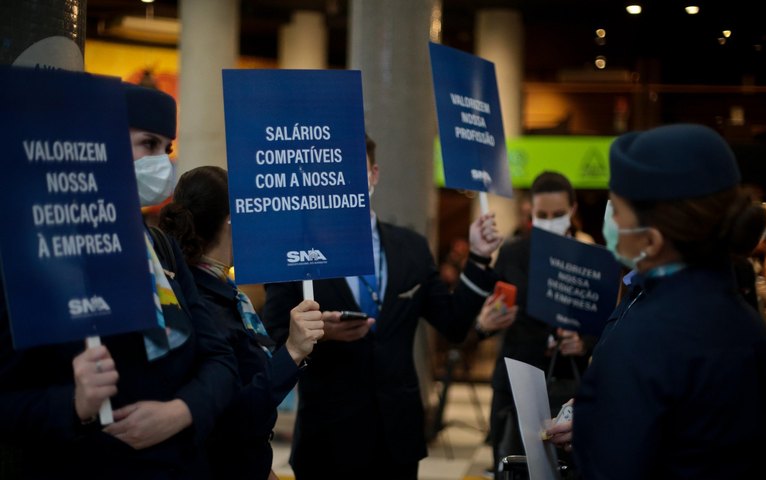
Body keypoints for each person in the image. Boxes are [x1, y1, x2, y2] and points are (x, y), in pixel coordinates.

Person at [0, 82, 239, 478]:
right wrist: (74, 404)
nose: (162, 162)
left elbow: (219, 358)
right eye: (148, 143)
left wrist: (182, 411)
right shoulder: (35, 253)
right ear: (98, 141)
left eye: (168, 148)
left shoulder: (160, 245)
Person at [261, 134, 508, 480]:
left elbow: (452, 322)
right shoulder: (297, 253)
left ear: (374, 174)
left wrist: (479, 258)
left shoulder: (411, 247)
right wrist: (319, 333)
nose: (346, 182)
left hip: (399, 438)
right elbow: (272, 337)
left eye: (356, 171)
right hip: (328, 438)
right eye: (337, 172)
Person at [544, 123, 766, 479]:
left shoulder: (644, 340)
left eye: (617, 211)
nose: (610, 223)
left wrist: (595, 425)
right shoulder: (747, 324)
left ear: (652, 238)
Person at [158, 165, 327, 480]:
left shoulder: (224, 292)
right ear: (230, 221)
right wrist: (292, 351)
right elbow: (231, 415)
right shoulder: (199, 303)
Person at [477, 171, 594, 469]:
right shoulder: (513, 255)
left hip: (568, 386)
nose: (550, 220)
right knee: (514, 467)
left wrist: (583, 342)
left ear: (573, 210)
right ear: (530, 211)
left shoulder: (590, 259)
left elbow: (606, 325)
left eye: (558, 214)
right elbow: (489, 316)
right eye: (542, 214)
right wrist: (488, 321)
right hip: (516, 383)